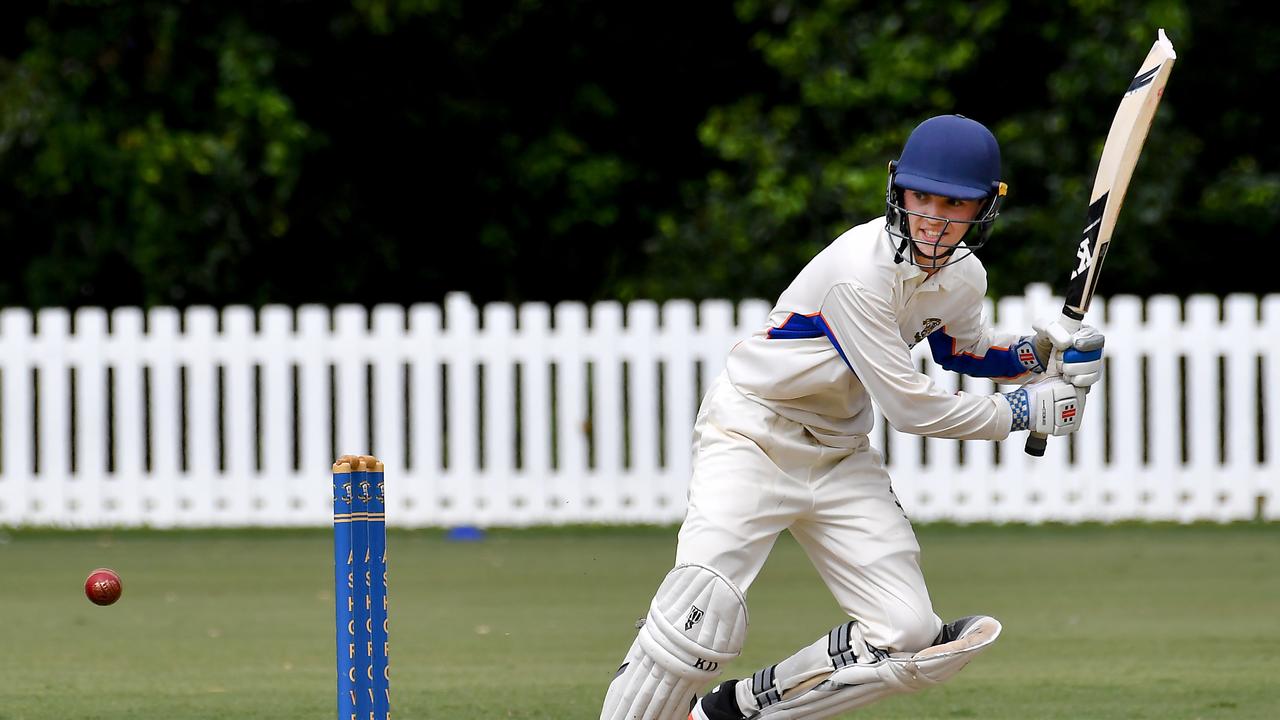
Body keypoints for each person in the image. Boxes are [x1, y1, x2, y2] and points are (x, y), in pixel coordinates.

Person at [597, 114, 1105, 720]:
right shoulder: (859, 271)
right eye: (921, 196)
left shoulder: (966, 277)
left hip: (838, 453)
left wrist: (1037, 354)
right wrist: (1021, 409)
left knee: (910, 637)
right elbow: (910, 405)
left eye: (954, 203)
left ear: (984, 208)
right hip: (752, 433)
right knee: (698, 613)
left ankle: (724, 714)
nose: (933, 217)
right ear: (897, 189)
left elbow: (963, 351)